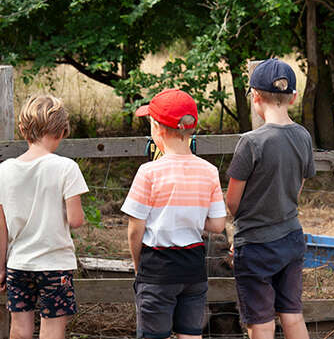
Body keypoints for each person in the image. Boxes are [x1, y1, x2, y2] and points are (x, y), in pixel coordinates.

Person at [121, 89, 227, 339]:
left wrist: (139, 267)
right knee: (190, 335)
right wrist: (189, 214)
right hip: (193, 269)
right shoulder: (209, 171)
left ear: (157, 129)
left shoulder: (148, 172)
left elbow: (135, 229)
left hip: (157, 270)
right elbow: (218, 225)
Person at [226, 58, 315, 339]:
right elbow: (297, 189)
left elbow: (232, 202)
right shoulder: (303, 136)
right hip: (291, 237)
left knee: (261, 321)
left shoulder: (251, 142)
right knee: (292, 314)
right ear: (294, 97)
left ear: (255, 96)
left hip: (255, 244)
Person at [0, 95, 89, 339]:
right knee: (52, 330)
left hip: (19, 264)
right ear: (61, 131)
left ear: (24, 129)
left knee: (20, 329)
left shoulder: (5, 169)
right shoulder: (66, 168)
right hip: (55, 266)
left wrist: (1, 269)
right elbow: (76, 220)